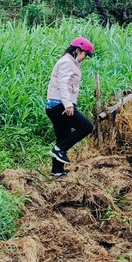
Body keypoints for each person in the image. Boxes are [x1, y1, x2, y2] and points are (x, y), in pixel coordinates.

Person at [46, 37, 95, 177]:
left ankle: (57, 171)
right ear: (78, 50)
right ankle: (58, 149)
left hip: (56, 105)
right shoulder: (67, 62)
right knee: (86, 127)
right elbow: (63, 84)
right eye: (85, 54)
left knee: (63, 136)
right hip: (59, 105)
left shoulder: (70, 62)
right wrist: (68, 104)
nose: (85, 57)